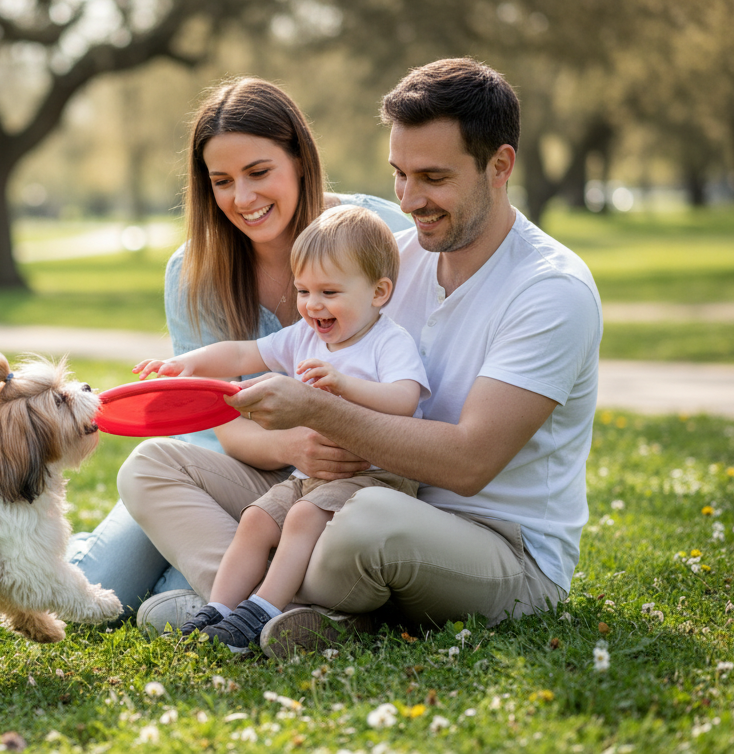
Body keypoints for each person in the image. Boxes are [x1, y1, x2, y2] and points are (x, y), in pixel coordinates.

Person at [120, 58, 602, 659]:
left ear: (499, 165)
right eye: (399, 174)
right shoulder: (392, 260)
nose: (408, 199)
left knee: (367, 520)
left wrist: (318, 412)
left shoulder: (550, 289)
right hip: (365, 496)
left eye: (432, 177)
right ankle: (259, 612)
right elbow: (285, 348)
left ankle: (249, 602)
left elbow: (470, 463)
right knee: (152, 465)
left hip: (500, 547)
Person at [64, 77, 413, 619]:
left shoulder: (383, 235)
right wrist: (296, 448)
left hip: (346, 478)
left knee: (166, 600)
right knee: (98, 588)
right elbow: (223, 424)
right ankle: (279, 606)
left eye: (258, 172)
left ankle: (232, 604)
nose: (242, 199)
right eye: (221, 181)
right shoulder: (193, 272)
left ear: (299, 158)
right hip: (238, 466)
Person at [132, 205, 429, 652]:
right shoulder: (304, 336)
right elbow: (239, 356)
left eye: (329, 291)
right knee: (256, 518)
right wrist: (185, 365)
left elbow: (405, 398)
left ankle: (264, 610)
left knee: (303, 517)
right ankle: (220, 611)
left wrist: (344, 385)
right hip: (314, 475)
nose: (312, 305)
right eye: (303, 290)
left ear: (379, 292)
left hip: (377, 477)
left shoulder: (388, 342)